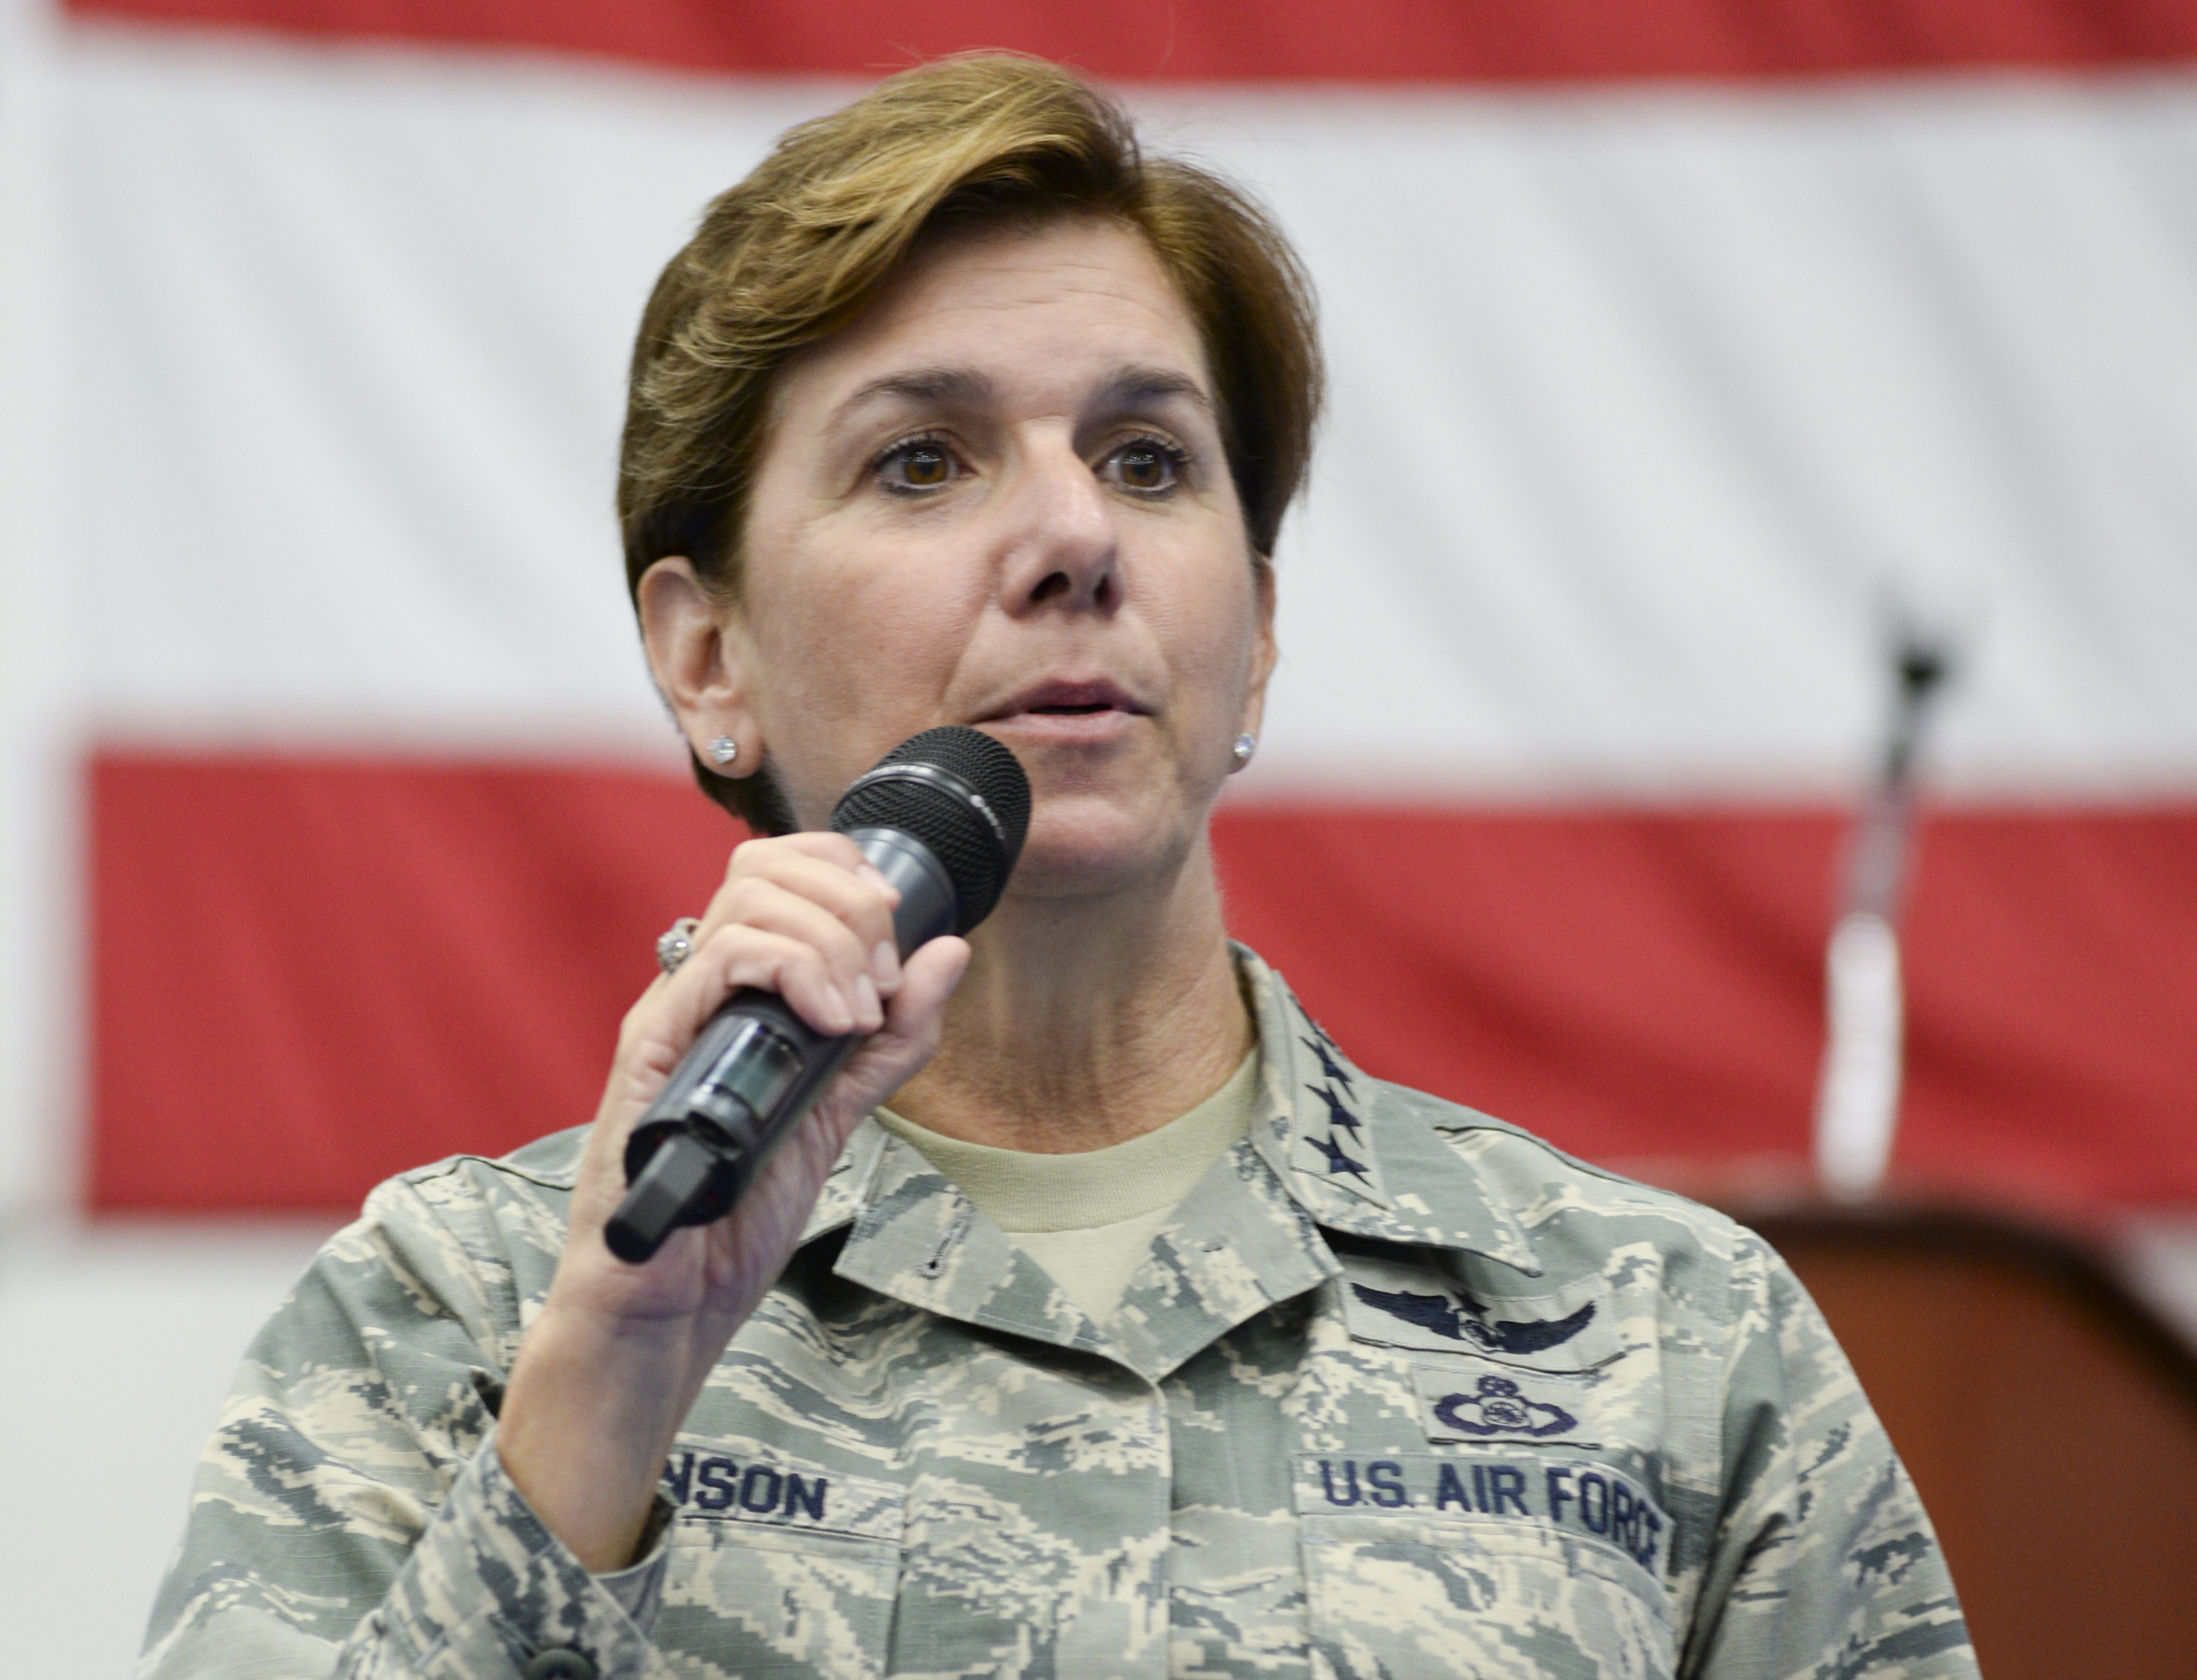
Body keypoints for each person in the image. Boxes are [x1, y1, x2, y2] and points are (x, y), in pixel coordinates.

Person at [139, 53, 1977, 1680]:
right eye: (924, 462)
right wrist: (606, 1376)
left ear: (1252, 634)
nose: (1073, 535)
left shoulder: (1660, 1338)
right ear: (709, 660)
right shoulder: (452, 1318)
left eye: (1147, 459)